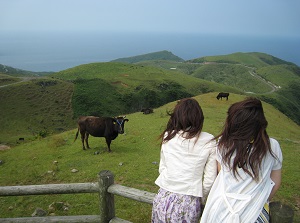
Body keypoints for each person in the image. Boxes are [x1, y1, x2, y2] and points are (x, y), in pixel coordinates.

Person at [200, 97, 283, 223]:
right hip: (255, 214)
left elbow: (222, 176)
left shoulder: (223, 145)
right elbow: (275, 181)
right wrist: (260, 199)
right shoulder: (272, 146)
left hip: (221, 210)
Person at [151, 98, 217, 223]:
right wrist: (200, 199)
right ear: (199, 118)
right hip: (189, 201)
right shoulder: (209, 140)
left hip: (162, 197)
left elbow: (162, 168)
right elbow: (209, 180)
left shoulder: (168, 135)